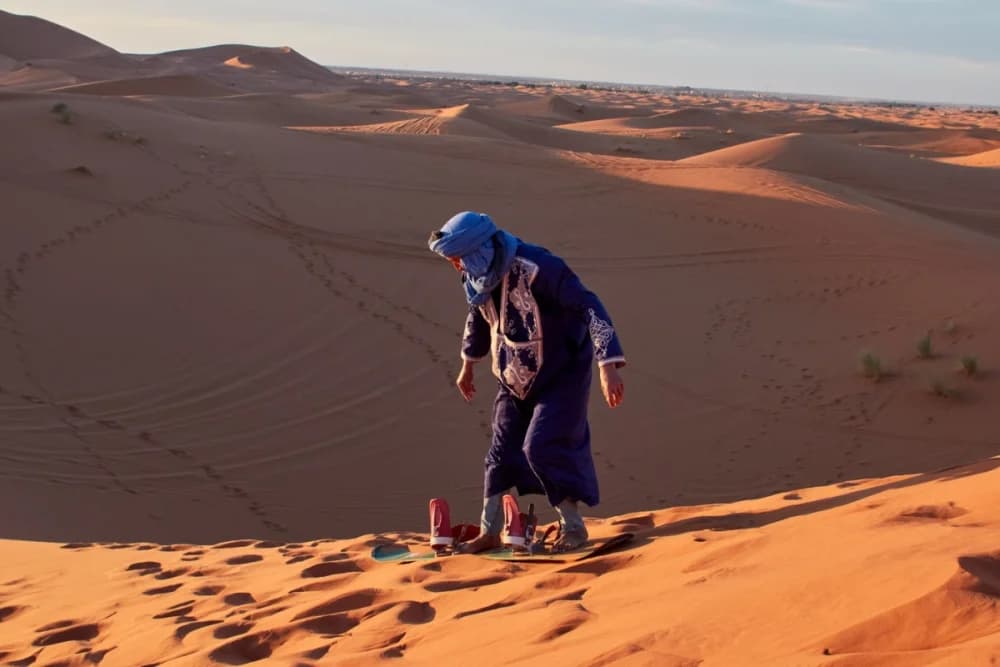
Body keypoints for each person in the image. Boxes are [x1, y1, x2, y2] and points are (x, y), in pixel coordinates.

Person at [428, 211, 626, 552]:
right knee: (500, 454)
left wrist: (607, 364)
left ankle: (574, 530)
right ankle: (490, 530)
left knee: (543, 445)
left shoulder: (538, 266)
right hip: (511, 377)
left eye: (458, 259)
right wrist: (468, 365)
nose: (457, 267)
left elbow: (588, 305)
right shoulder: (479, 275)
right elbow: (477, 316)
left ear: (476, 249)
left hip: (561, 374)